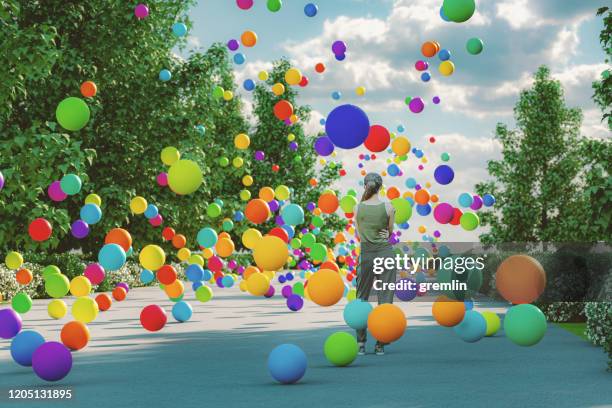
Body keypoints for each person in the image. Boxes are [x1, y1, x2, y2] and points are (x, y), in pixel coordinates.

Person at [354, 173, 397, 355]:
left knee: (361, 299)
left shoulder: (357, 208)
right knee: (385, 300)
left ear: (365, 186)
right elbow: (389, 232)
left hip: (366, 255)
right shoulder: (389, 207)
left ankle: (361, 344)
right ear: (380, 187)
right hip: (385, 253)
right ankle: (380, 344)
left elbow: (359, 232)